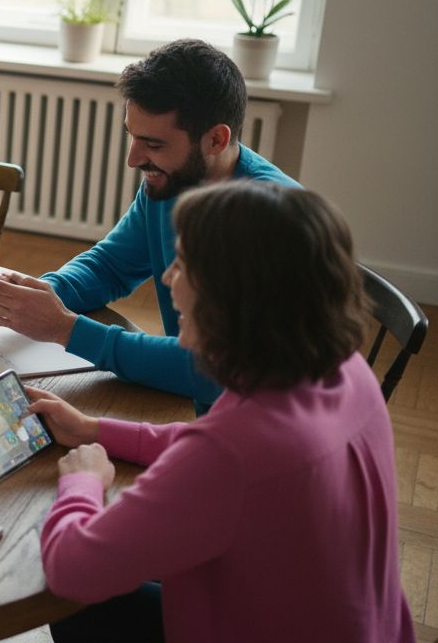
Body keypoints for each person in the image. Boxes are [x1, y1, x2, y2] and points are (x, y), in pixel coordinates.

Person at [28, 181, 413, 643]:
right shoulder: (340, 369)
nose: (168, 278)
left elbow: (71, 570)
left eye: (185, 264)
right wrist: (97, 429)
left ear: (235, 295)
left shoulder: (232, 453)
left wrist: (82, 481)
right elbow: (217, 452)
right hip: (364, 627)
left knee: (80, 606)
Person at [0, 39, 296, 413]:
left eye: (153, 144)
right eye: (131, 135)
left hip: (249, 429)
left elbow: (212, 370)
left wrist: (66, 329)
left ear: (216, 139)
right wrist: (45, 291)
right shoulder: (173, 182)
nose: (133, 159)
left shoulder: (274, 226)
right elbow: (111, 264)